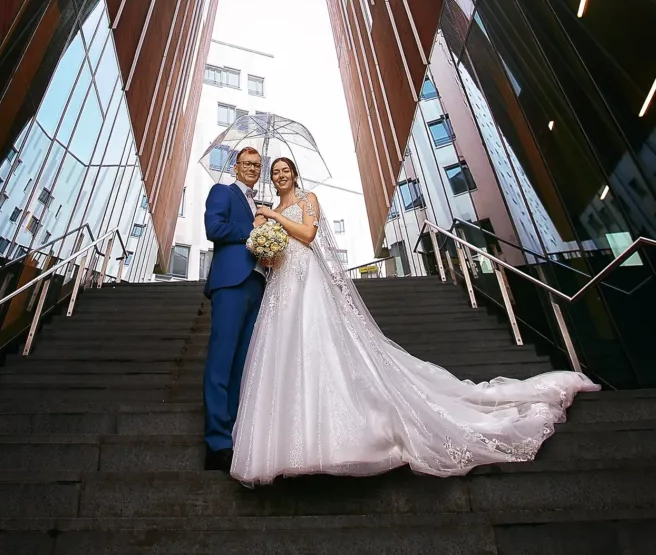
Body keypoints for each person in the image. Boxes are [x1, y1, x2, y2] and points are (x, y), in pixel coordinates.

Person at [231, 156, 599, 485]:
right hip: (283, 285)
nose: (280, 176)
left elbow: (309, 235)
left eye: (285, 171)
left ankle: (333, 440)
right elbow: (274, 252)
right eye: (275, 172)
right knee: (286, 356)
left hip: (309, 281)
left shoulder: (307, 200)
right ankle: (289, 445)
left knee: (320, 345)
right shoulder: (269, 211)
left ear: (295, 175)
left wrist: (275, 218)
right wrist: (266, 247)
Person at [202, 146, 266, 471]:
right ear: (236, 167)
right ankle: (216, 442)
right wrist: (252, 231)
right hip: (230, 282)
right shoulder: (222, 192)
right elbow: (213, 228)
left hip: (258, 284)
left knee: (242, 365)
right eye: (247, 164)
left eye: (257, 165)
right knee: (222, 361)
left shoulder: (261, 205)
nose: (252, 168)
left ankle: (232, 435)